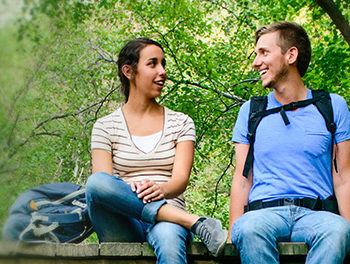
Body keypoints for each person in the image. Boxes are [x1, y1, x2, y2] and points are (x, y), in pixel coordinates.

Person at [85, 37, 227, 263]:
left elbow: (180, 180)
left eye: (163, 64)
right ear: (129, 71)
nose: (162, 71)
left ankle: (181, 221)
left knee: (169, 240)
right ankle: (195, 222)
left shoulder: (180, 122)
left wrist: (159, 189)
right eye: (152, 64)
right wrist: (133, 191)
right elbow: (104, 183)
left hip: (169, 221)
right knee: (95, 183)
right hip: (123, 221)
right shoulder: (104, 126)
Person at [229, 21, 350, 263]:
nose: (255, 62)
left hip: (317, 215)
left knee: (339, 230)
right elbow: (243, 179)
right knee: (249, 228)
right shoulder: (251, 111)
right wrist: (234, 232)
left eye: (264, 52)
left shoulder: (332, 106)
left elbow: (344, 177)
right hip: (264, 214)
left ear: (290, 55)